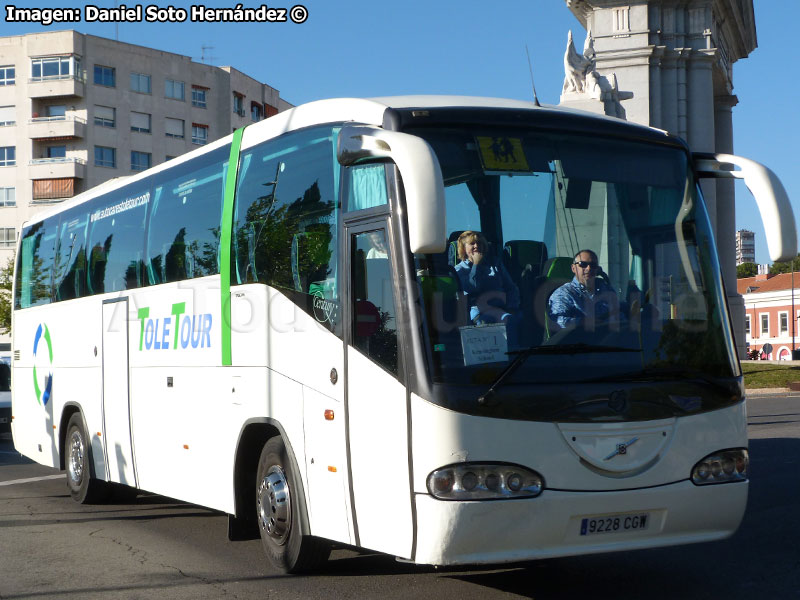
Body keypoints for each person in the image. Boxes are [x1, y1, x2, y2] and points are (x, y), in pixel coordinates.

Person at [454, 231, 520, 328]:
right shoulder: (459, 270)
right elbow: (473, 287)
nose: (476, 246)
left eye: (479, 243)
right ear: (464, 249)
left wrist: (511, 307)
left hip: (502, 308)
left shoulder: (495, 264)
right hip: (479, 312)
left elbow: (510, 287)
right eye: (472, 243)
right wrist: (476, 264)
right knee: (504, 321)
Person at [548, 249, 621, 330]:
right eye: (583, 264)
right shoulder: (564, 293)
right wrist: (584, 322)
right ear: (573, 268)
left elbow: (619, 313)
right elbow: (557, 321)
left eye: (593, 265)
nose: (589, 268)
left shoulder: (606, 289)